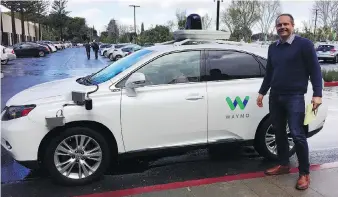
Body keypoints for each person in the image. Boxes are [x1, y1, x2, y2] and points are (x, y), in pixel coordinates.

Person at [256, 13, 322, 190]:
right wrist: (262, 92)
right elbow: (270, 72)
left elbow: (315, 70)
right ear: (276, 28)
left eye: (286, 24)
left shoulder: (304, 45)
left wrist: (318, 94)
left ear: (293, 25)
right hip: (275, 96)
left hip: (295, 96)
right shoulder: (273, 48)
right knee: (279, 132)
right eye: (279, 25)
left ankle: (304, 173)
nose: (282, 27)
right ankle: (284, 164)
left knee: (297, 133)